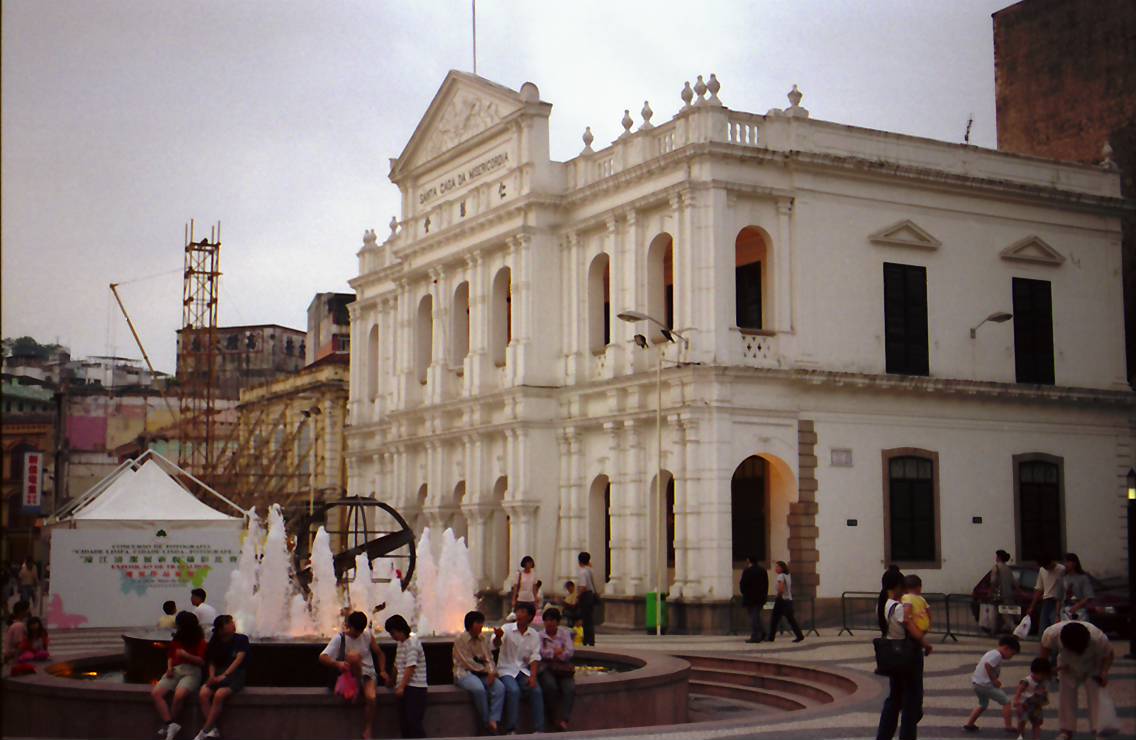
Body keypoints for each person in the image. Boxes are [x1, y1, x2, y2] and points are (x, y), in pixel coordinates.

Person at [875, 568, 930, 740]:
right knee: (911, 701)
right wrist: (925, 643)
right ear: (898, 586)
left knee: (895, 698)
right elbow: (911, 626)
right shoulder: (898, 608)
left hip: (892, 655)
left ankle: (884, 736)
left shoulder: (881, 605)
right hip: (907, 655)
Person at [319, 611, 390, 740]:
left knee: (371, 697)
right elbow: (322, 657)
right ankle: (357, 687)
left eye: (361, 630)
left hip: (368, 674)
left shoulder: (367, 635)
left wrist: (382, 670)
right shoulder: (340, 638)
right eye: (356, 630)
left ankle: (368, 728)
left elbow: (380, 653)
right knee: (354, 656)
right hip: (351, 675)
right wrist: (337, 664)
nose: (358, 634)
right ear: (348, 626)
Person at [1038, 620, 1115, 740]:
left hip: (1093, 664)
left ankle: (1099, 731)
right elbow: (1044, 652)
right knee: (1066, 696)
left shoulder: (1098, 638)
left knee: (1096, 697)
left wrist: (1104, 672)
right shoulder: (1052, 633)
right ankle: (1066, 731)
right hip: (1066, 664)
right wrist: (1045, 671)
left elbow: (1109, 654)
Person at [152, 611, 207, 740]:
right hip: (175, 670)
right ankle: (170, 724)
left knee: (179, 695)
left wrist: (186, 655)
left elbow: (201, 661)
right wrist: (169, 668)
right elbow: (171, 655)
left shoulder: (200, 641)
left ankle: (170, 726)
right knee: (156, 693)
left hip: (192, 671)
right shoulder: (177, 638)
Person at [193, 614, 248, 740]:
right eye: (229, 623)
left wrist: (224, 675)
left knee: (219, 694)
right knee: (203, 693)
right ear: (221, 629)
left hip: (235, 674)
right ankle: (212, 729)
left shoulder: (241, 639)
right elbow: (212, 661)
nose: (233, 624)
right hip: (218, 673)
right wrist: (212, 676)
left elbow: (238, 660)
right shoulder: (215, 642)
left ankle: (204, 731)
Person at [494, 602, 544, 734]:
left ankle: (539, 729)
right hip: (506, 670)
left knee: (536, 690)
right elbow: (495, 644)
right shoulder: (507, 628)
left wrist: (533, 676)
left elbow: (535, 656)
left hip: (523, 671)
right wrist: (498, 637)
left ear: (530, 617)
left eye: (523, 612)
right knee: (513, 690)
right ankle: (511, 729)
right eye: (518, 611)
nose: (519, 615)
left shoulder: (534, 634)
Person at [452, 610, 504, 735]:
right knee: (478, 689)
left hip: (483, 674)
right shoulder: (460, 640)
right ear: (470, 624)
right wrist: (488, 671)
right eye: (478, 622)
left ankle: (493, 720)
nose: (481, 625)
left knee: (500, 687)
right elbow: (468, 663)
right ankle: (486, 723)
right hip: (464, 673)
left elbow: (488, 658)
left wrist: (491, 671)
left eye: (482, 622)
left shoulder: (483, 638)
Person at [962, 634, 1020, 733]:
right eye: (1012, 654)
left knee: (983, 704)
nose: (1011, 657)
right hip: (985, 685)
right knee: (1006, 702)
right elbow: (987, 665)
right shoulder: (997, 655)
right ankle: (1008, 726)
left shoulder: (992, 652)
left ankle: (969, 724)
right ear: (1006, 648)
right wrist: (994, 680)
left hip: (977, 683)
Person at [384, 614, 427, 739]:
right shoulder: (401, 643)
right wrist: (392, 681)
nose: (392, 636)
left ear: (400, 629)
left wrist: (402, 687)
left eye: (393, 633)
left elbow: (410, 667)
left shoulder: (412, 643)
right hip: (404, 687)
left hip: (415, 688)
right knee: (404, 723)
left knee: (414, 722)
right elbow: (397, 665)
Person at [538, 607, 575, 732]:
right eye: (547, 620)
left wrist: (559, 654)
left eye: (552, 620)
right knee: (550, 686)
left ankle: (564, 719)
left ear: (557, 622)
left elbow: (569, 651)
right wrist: (555, 652)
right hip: (546, 667)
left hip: (563, 668)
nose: (549, 623)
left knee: (569, 688)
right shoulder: (540, 635)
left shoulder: (564, 633)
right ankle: (553, 717)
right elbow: (540, 652)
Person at [1012, 657, 1052, 740]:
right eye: (1042, 675)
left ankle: (1036, 738)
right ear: (1034, 672)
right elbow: (1019, 690)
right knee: (1022, 722)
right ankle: (1020, 736)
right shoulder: (1026, 681)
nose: (1043, 677)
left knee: (1037, 723)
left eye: (1045, 675)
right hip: (1024, 705)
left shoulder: (1043, 681)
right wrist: (1016, 700)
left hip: (1036, 706)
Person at [1026, 554, 1065, 636]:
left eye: (1046, 566)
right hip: (1046, 601)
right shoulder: (1042, 570)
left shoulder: (1061, 569)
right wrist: (1032, 606)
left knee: (1056, 628)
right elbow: (1039, 589)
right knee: (1043, 628)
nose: (1046, 568)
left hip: (1058, 601)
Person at [767, 561, 804, 643]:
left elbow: (781, 589)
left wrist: (778, 596)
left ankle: (771, 637)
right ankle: (799, 635)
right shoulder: (788, 575)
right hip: (788, 600)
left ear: (782, 568)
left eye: (777, 567)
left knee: (774, 619)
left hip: (781, 600)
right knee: (790, 619)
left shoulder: (780, 576)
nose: (776, 568)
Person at [739, 555, 769, 643]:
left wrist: (744, 593)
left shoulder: (747, 571)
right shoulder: (762, 570)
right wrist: (764, 595)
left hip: (750, 597)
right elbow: (766, 584)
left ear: (749, 561)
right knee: (756, 615)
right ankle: (763, 633)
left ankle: (755, 635)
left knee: (753, 616)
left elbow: (743, 584)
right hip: (760, 597)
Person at [575, 552, 598, 646]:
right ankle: (590, 639)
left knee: (585, 619)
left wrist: (577, 596)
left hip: (585, 596)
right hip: (591, 595)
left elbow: (583, 586)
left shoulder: (582, 572)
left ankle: (586, 640)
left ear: (579, 561)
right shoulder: (589, 570)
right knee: (589, 619)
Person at [1062, 553, 1093, 621]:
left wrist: (1077, 606)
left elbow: (1088, 596)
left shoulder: (1083, 578)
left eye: (1068, 562)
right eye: (1064, 562)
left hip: (1080, 610)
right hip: (1065, 610)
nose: (1065, 564)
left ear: (1074, 563)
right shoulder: (1063, 578)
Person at [991, 550, 1016, 633]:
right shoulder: (1008, 568)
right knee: (999, 613)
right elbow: (1014, 582)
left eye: (996, 556)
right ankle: (995, 629)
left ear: (999, 557)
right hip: (1008, 595)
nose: (995, 558)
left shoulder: (996, 567)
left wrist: (990, 591)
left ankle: (1014, 630)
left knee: (1005, 615)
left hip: (999, 595)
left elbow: (993, 581)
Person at [3, 600, 30, 664]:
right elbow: (19, 644)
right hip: (14, 658)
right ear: (22, 612)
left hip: (11, 656)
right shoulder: (19, 625)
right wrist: (16, 662)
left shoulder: (15, 623)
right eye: (27, 609)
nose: (29, 611)